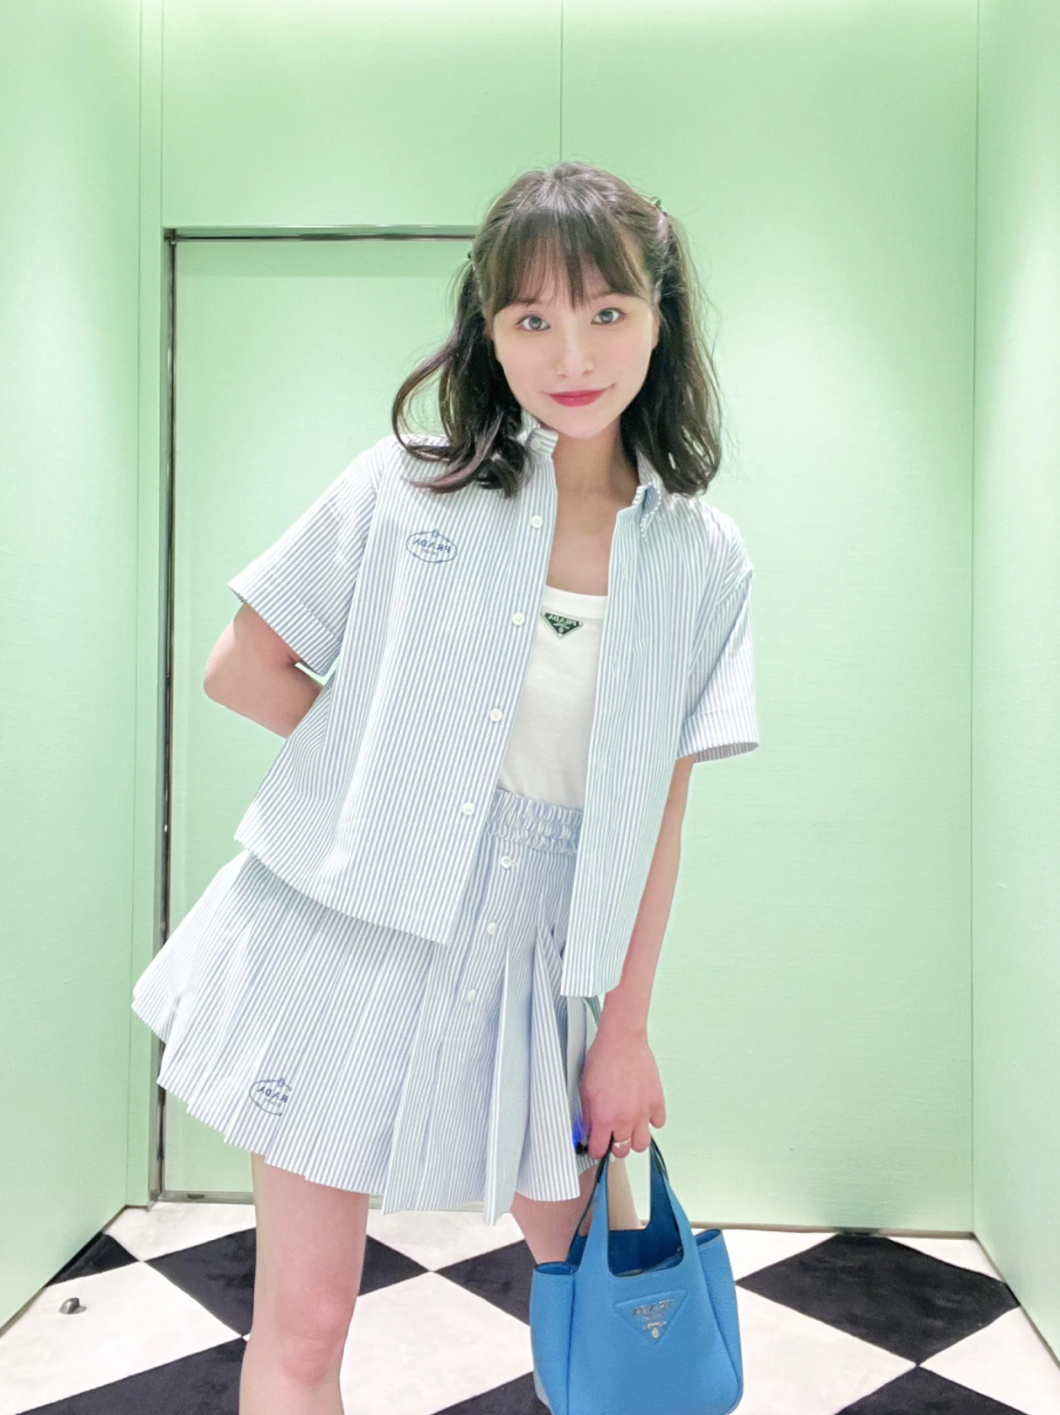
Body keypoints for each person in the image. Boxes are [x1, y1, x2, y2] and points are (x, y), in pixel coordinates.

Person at [131, 159, 758, 1415]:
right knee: (304, 1325)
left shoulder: (702, 556)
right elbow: (240, 664)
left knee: (613, 1313)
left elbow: (662, 809)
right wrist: (390, 773)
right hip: (341, 941)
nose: (570, 354)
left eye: (607, 311)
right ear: (488, 326)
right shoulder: (407, 483)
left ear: (660, 315)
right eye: (531, 317)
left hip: (546, 965)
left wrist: (627, 1027)